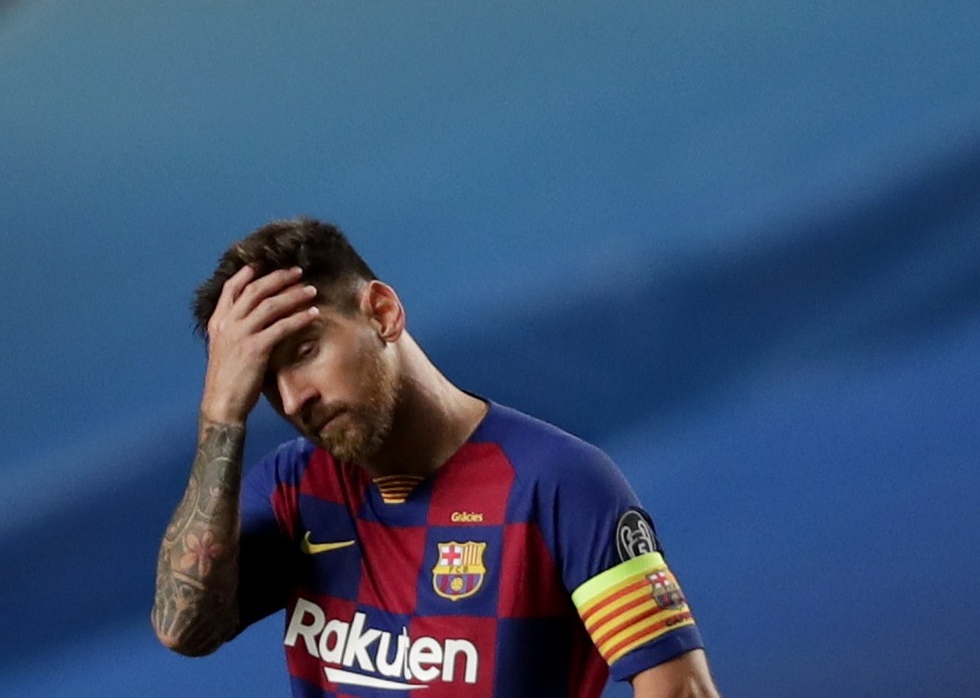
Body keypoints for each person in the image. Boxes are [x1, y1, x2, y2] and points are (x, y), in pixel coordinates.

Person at [153, 218, 720, 697]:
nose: (296, 399)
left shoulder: (558, 485)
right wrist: (221, 415)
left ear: (381, 311)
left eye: (306, 352)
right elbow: (184, 628)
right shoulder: (292, 488)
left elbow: (682, 691)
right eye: (265, 386)